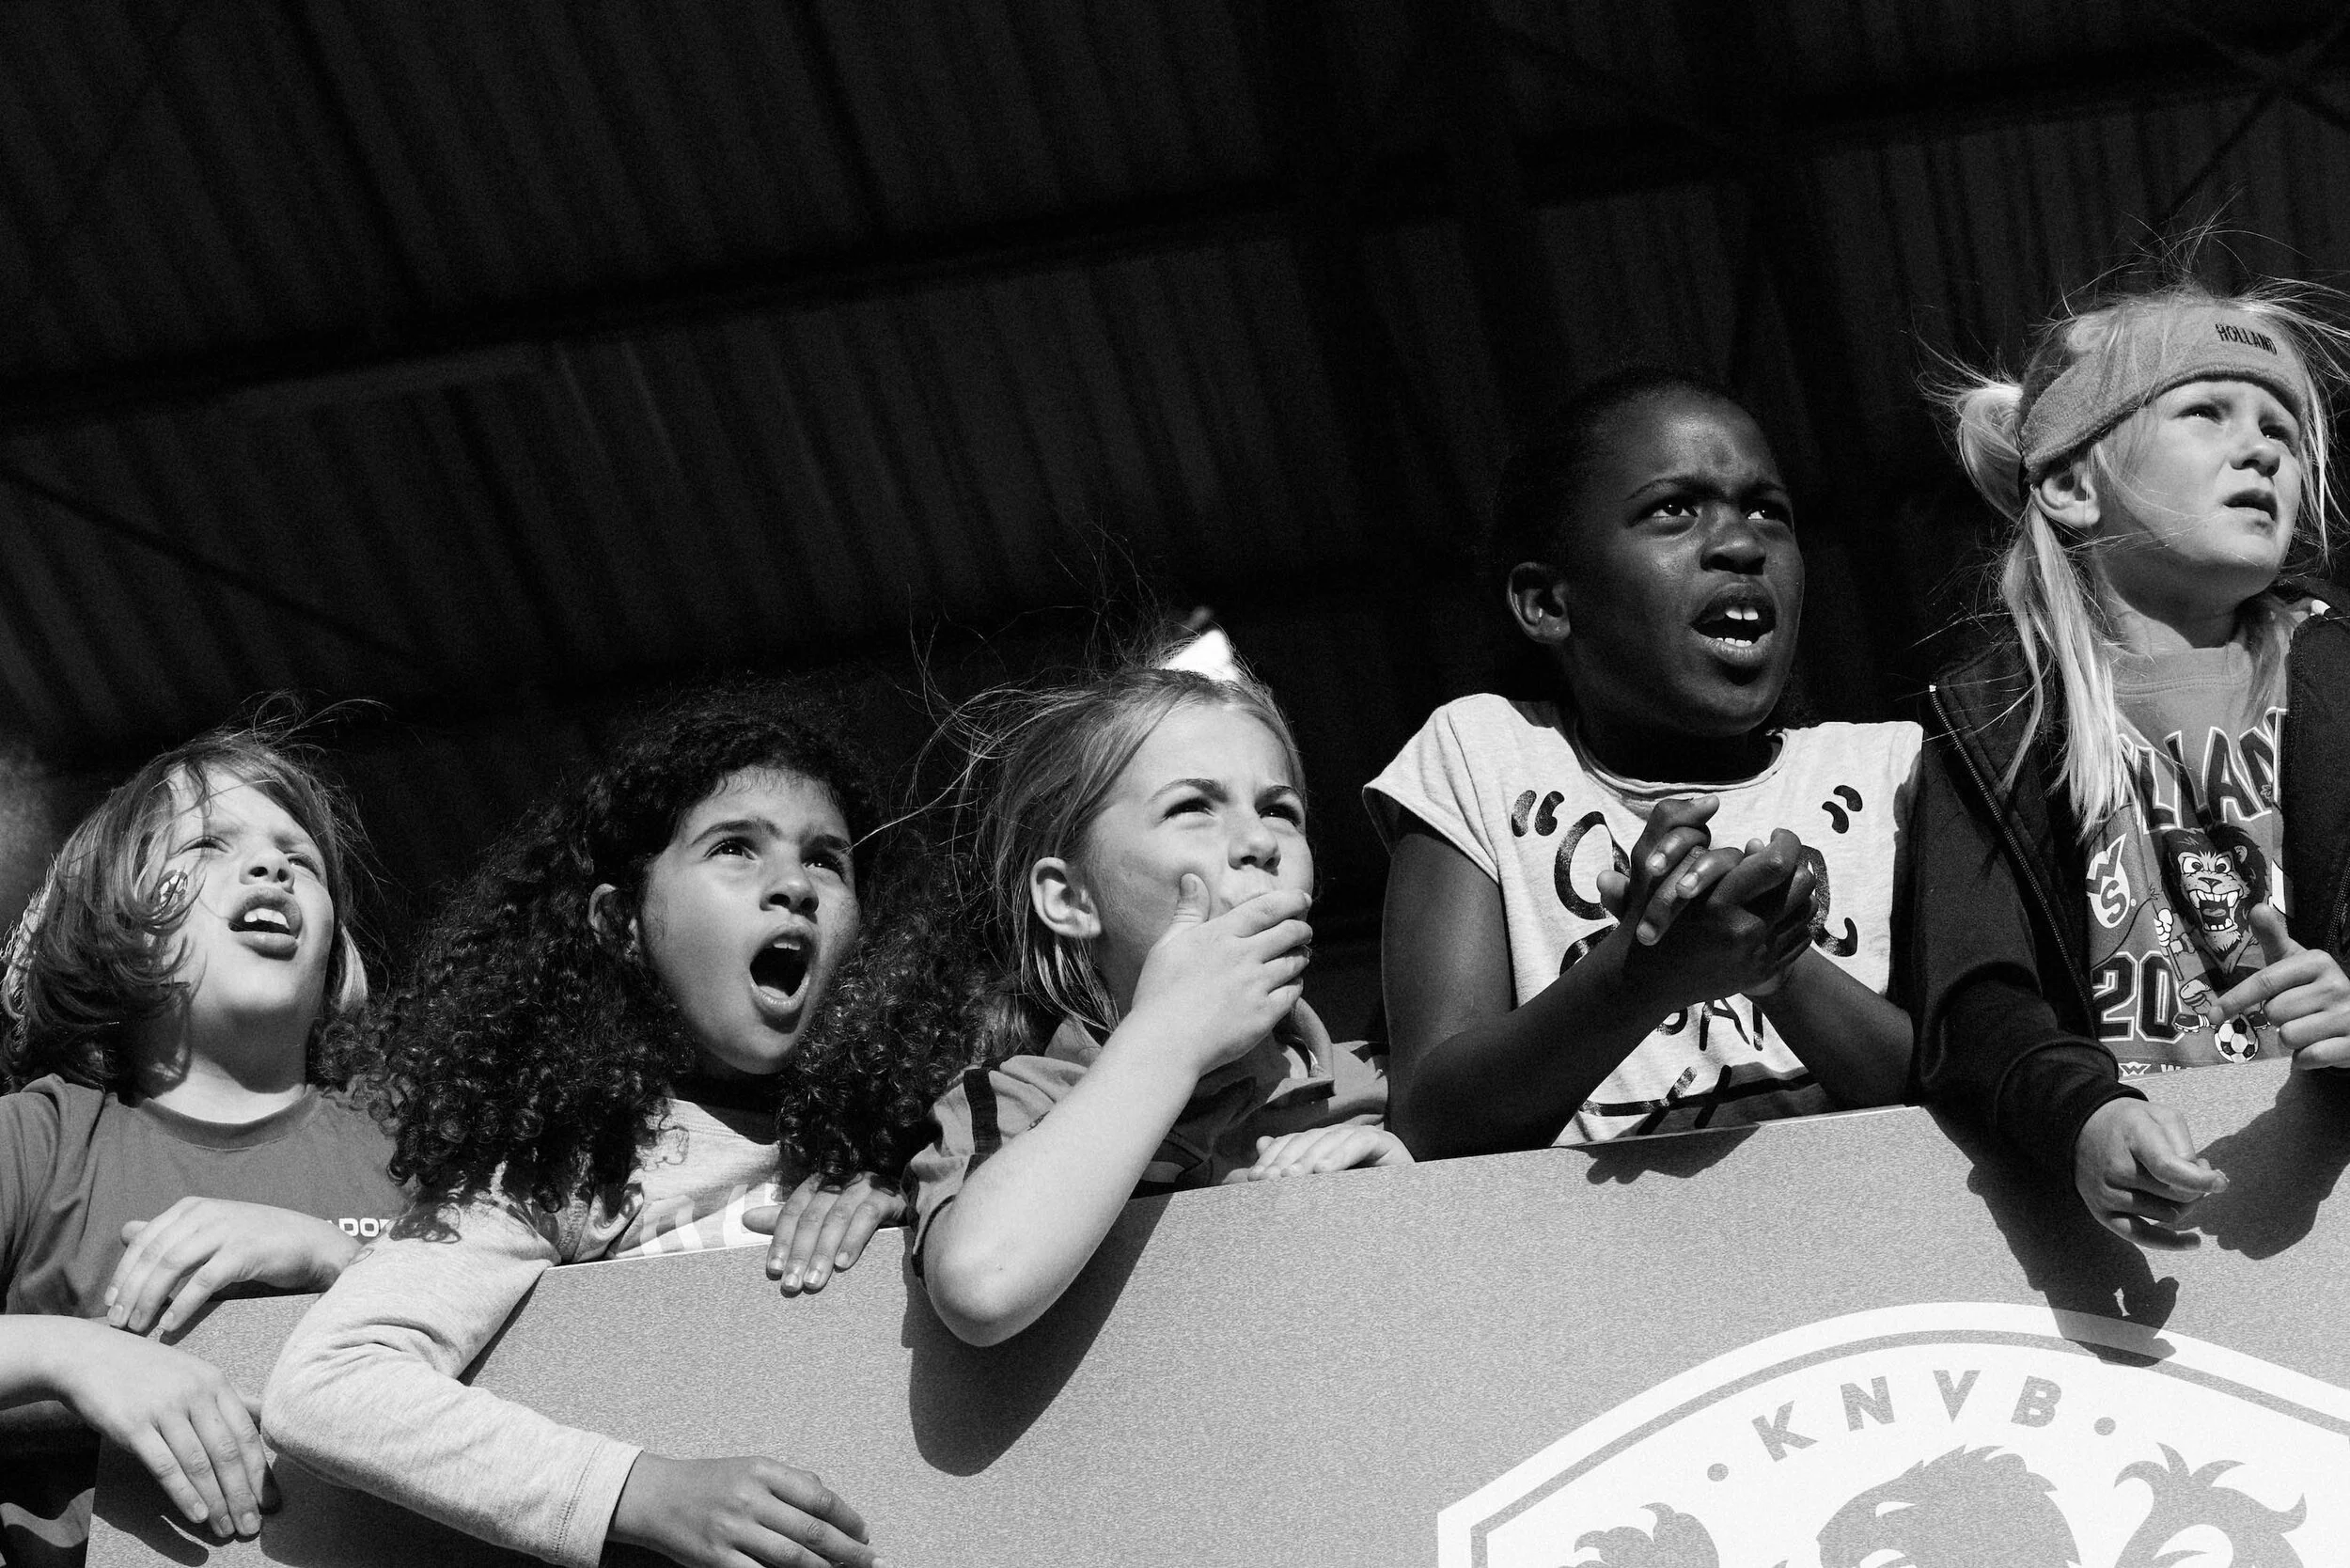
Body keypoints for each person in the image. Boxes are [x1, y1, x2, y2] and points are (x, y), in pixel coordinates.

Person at [265, 682, 915, 1568]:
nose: (795, 886)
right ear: (621, 924)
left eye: (828, 861)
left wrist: (911, 1197)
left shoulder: (918, 1145)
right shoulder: (565, 1165)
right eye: (735, 849)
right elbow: (331, 1384)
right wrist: (636, 1492)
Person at [1367, 369, 1919, 1157]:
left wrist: (1777, 967)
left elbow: (1971, 1083)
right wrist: (1640, 973)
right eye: (1674, 510)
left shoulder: (1895, 771)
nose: (1740, 543)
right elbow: (1433, 1121)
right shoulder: (1479, 755)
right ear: (1548, 604)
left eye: (1769, 511)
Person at [1915, 276, 2350, 1237]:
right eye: (2208, 412)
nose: (2261, 449)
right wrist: (2082, 1114)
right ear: (2071, 485)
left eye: (2281, 428)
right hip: (2119, 1236)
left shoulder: (2340, 688)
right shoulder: (1992, 718)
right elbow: (1972, 1000)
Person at [907, 649, 1404, 1349]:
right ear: (1070, 898)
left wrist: (1410, 1200)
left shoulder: (1384, 1079)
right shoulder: (1016, 1103)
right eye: (1193, 807)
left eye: (1279, 810)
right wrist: (1172, 1035)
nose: (1259, 840)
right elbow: (982, 1284)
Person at [0, 722, 403, 1565]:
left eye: (304, 858)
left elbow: (540, 1361)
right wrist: (70, 1356)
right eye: (211, 843)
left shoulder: (411, 1149)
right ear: (116, 914)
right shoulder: (39, 1140)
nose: (271, 867)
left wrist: (341, 1263)